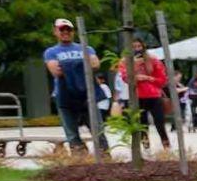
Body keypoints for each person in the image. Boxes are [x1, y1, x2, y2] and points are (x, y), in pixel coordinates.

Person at [43, 18, 109, 154]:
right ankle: (79, 158)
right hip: (64, 96)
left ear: (73, 32)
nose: (65, 32)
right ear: (55, 31)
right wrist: (81, 65)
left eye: (69, 30)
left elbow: (96, 64)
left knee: (98, 130)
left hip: (87, 95)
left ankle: (105, 158)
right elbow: (56, 71)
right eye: (62, 30)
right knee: (72, 134)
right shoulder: (51, 51)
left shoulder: (86, 48)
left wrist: (67, 66)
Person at [118, 38, 171, 150]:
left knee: (160, 123)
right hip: (137, 96)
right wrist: (135, 68)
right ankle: (146, 148)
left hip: (154, 96)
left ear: (143, 47)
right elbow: (125, 77)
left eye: (139, 46)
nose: (137, 49)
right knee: (142, 125)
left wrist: (148, 78)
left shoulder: (153, 60)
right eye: (134, 47)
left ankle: (166, 146)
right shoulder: (125, 61)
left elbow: (162, 80)